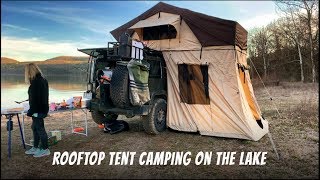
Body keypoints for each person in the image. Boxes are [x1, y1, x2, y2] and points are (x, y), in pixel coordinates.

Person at [24, 63, 50, 157]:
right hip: (42, 109)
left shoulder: (36, 82)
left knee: (40, 129)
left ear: (29, 72)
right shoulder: (42, 80)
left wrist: (30, 112)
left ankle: (45, 149)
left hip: (38, 110)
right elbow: (41, 96)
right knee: (35, 128)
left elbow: (36, 99)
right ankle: (36, 147)